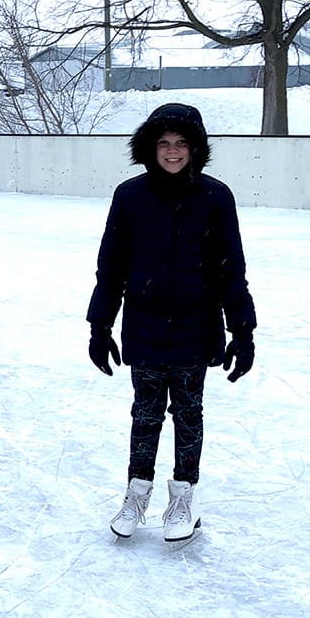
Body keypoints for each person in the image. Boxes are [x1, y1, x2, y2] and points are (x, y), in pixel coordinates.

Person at [86, 102, 256, 542]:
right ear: (150, 147)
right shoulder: (130, 196)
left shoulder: (216, 197)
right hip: (142, 327)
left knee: (187, 415)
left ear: (196, 148)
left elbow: (229, 268)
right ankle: (136, 495)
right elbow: (112, 267)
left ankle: (182, 499)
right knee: (144, 414)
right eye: (164, 143)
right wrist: (99, 326)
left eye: (182, 143)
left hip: (195, 329)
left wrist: (242, 330)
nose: (173, 151)